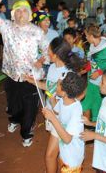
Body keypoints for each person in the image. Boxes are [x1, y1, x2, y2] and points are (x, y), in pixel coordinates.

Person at [0, 0, 49, 147]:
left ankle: (26, 133)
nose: (21, 13)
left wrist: (41, 60)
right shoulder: (6, 27)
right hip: (11, 75)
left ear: (30, 15)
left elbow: (47, 51)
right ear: (13, 14)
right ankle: (14, 119)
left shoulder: (37, 31)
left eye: (25, 10)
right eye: (18, 10)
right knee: (13, 105)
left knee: (30, 107)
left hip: (31, 77)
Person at [24, 38, 83, 173]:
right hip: (53, 114)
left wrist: (58, 108)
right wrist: (31, 80)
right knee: (53, 155)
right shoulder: (51, 67)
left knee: (53, 155)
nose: (46, 53)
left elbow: (77, 96)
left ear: (55, 55)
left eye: (48, 50)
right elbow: (49, 87)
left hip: (63, 119)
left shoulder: (68, 73)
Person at [42, 72, 87, 173]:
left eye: (58, 84)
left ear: (64, 93)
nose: (55, 85)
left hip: (72, 159)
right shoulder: (64, 100)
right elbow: (58, 110)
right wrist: (52, 99)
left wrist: (52, 118)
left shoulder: (75, 111)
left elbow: (67, 139)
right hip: (65, 153)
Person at [81, 25, 106, 122]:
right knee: (86, 104)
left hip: (101, 84)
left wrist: (98, 72)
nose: (85, 38)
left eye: (86, 36)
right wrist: (85, 70)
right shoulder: (92, 46)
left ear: (91, 36)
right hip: (91, 81)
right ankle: (87, 125)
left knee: (97, 105)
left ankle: (95, 128)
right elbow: (92, 62)